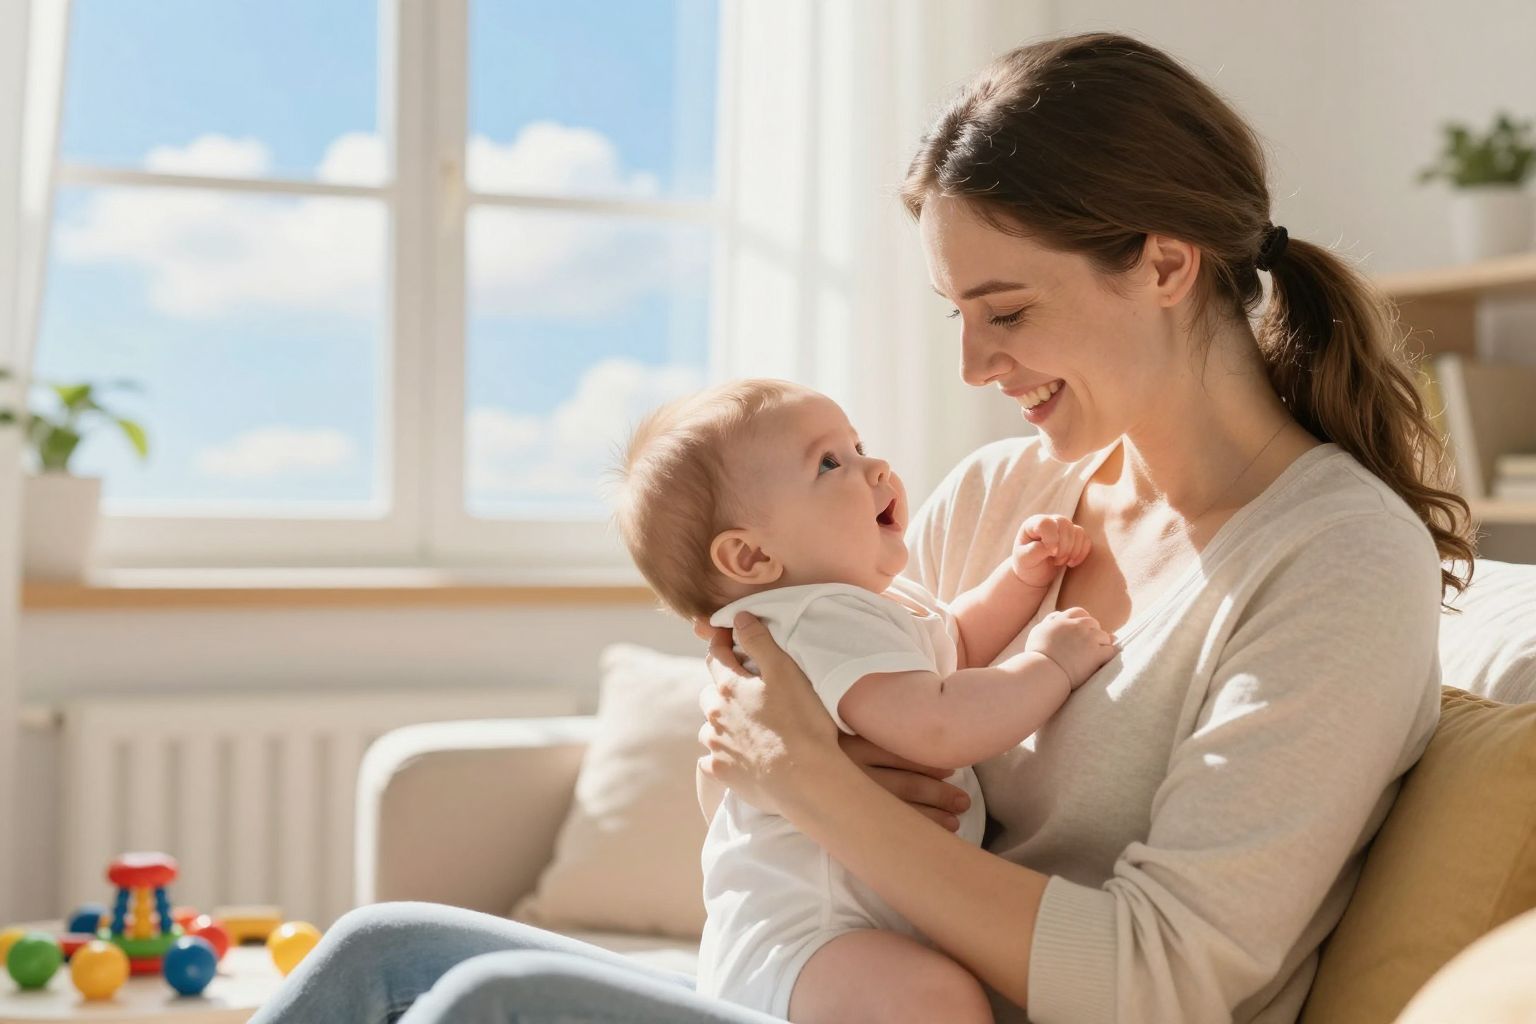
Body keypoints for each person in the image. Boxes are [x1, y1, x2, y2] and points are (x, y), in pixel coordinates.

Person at [248, 30, 1474, 1024]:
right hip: (837, 983)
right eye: (953, 311)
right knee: (382, 948)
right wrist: (777, 745)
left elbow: (1159, 978)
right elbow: (784, 696)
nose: (973, 363)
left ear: (1164, 264)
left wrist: (823, 783)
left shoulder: (1337, 559)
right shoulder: (1005, 498)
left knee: (492, 1005)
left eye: (1003, 309)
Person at [611, 378, 1116, 1021]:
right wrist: (1049, 664)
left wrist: (1017, 580)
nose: (874, 466)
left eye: (857, 445)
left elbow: (951, 645)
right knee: (931, 1001)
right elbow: (937, 722)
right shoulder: (814, 618)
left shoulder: (860, 606)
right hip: (811, 945)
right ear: (751, 554)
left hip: (830, 944)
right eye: (829, 464)